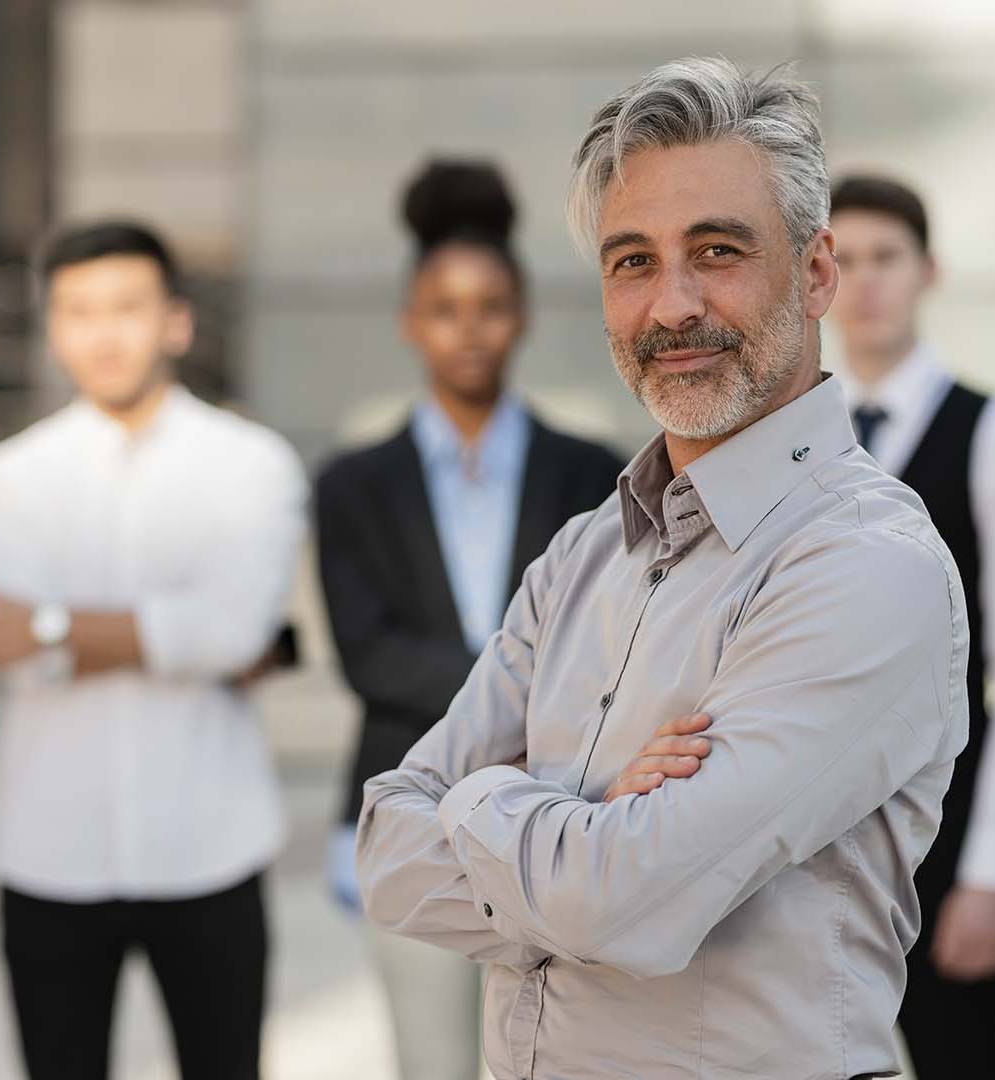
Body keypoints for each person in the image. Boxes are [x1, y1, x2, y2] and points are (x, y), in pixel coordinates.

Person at [355, 57, 968, 1079]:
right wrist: (589, 822)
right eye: (631, 261)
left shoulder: (868, 565)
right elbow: (383, 846)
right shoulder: (587, 549)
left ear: (818, 272)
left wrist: (487, 802)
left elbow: (628, 902)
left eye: (717, 251)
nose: (671, 305)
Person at [0, 220, 306, 1080]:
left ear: (176, 322)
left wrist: (55, 622)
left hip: (210, 846)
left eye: (126, 307)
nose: (103, 332)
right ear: (54, 329)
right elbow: (6, 644)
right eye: (78, 311)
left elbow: (235, 630)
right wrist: (177, 632)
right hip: (49, 852)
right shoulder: (11, 476)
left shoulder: (251, 464)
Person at [317, 158, 624, 1080]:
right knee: (433, 1066)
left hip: (566, 816)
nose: (469, 330)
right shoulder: (352, 485)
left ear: (522, 314)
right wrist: (532, 693)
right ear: (413, 320)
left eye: (490, 305)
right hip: (413, 811)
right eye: (445, 308)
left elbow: (611, 643)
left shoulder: (593, 473)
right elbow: (371, 657)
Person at [827, 174, 995, 1078]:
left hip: (946, 836)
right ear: (816, 277)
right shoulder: (794, 443)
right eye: (844, 261)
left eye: (886, 257)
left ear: (929, 270)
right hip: (812, 844)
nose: (868, 282)